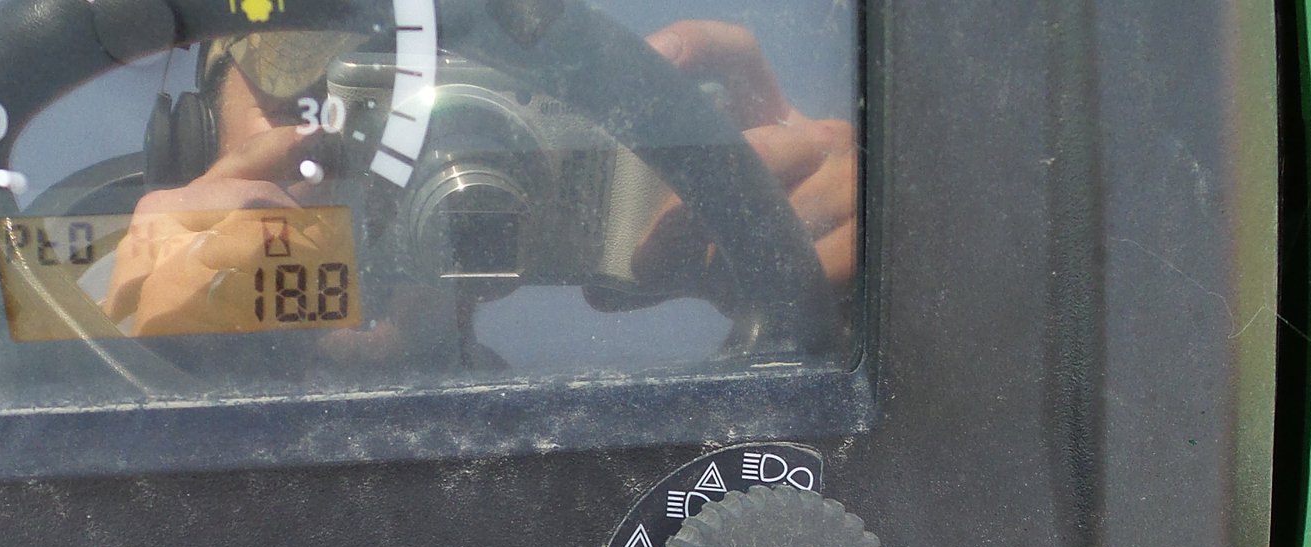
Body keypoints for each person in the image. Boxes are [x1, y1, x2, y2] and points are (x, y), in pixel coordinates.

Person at [102, 21, 856, 345]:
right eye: (332, 110)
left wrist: (827, 290)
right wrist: (123, 344)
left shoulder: (579, 439)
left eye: (460, 121)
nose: (414, 173)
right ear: (190, 146)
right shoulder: (64, 298)